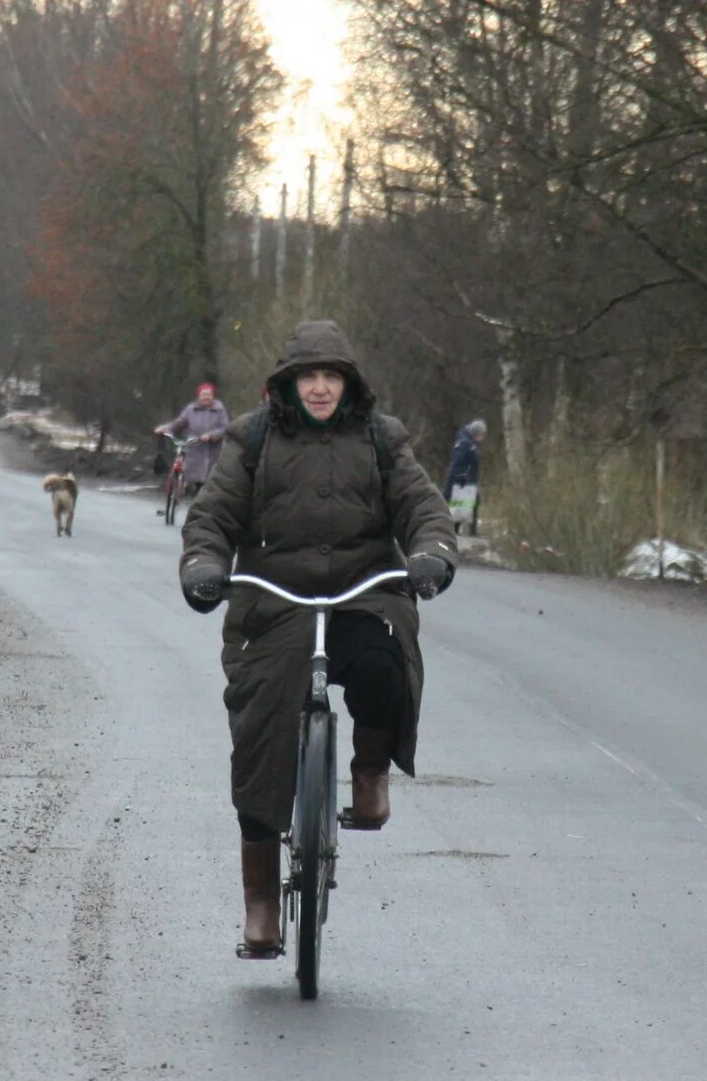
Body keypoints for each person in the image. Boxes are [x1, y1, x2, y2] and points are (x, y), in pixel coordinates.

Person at [178, 322, 456, 959]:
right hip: (276, 600)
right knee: (260, 732)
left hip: (365, 591)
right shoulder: (254, 439)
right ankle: (262, 906)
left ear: (349, 384)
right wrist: (203, 566)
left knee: (384, 667)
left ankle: (368, 774)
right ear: (289, 385)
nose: (322, 388)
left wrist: (431, 553)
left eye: (332, 377)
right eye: (310, 377)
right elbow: (213, 516)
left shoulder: (381, 439)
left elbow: (423, 506)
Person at [153, 382, 232, 497]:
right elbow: (179, 423)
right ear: (198, 396)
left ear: (212, 396)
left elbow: (225, 427)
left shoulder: (220, 409)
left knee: (210, 481)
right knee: (194, 477)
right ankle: (182, 492)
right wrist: (165, 429)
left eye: (208, 395)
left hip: (213, 451)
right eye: (203, 395)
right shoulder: (191, 409)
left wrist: (211, 435)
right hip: (195, 447)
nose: (206, 397)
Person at [445, 418, 487, 534]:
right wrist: (461, 477)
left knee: (469, 503)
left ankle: (462, 530)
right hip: (462, 480)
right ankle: (461, 530)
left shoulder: (470, 443)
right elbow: (458, 463)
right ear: (475, 434)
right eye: (481, 435)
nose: (482, 438)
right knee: (465, 503)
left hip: (468, 480)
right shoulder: (464, 444)